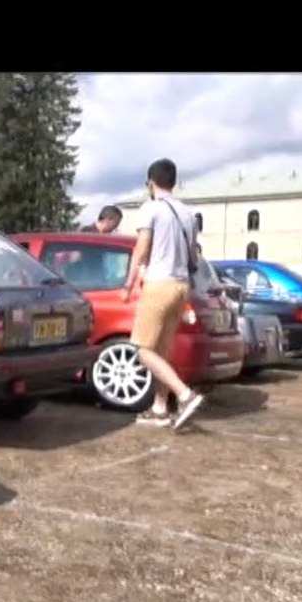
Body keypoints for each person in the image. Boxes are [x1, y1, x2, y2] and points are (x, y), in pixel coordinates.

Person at [121, 158, 204, 431]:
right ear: (174, 181)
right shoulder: (188, 214)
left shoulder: (151, 209)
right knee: (162, 350)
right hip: (182, 286)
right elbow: (194, 254)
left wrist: (128, 283)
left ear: (150, 182)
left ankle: (185, 395)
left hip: (160, 284)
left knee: (143, 351)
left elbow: (141, 247)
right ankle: (159, 409)